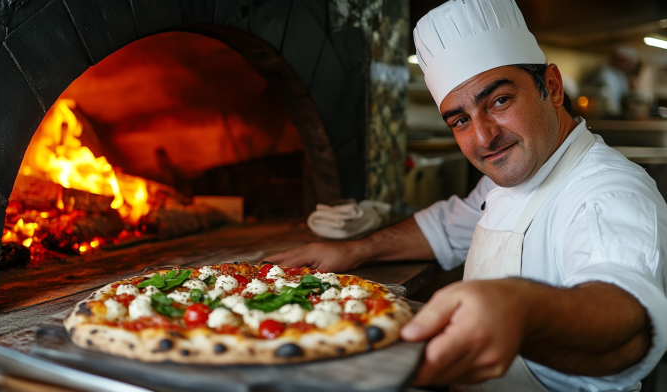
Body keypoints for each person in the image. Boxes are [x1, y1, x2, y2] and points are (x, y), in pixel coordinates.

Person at [268, 0, 667, 390]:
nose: (483, 137)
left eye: (499, 101)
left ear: (552, 86)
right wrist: (356, 250)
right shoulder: (519, 171)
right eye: (460, 120)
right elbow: (447, 225)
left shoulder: (607, 191)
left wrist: (517, 306)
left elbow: (627, 324)